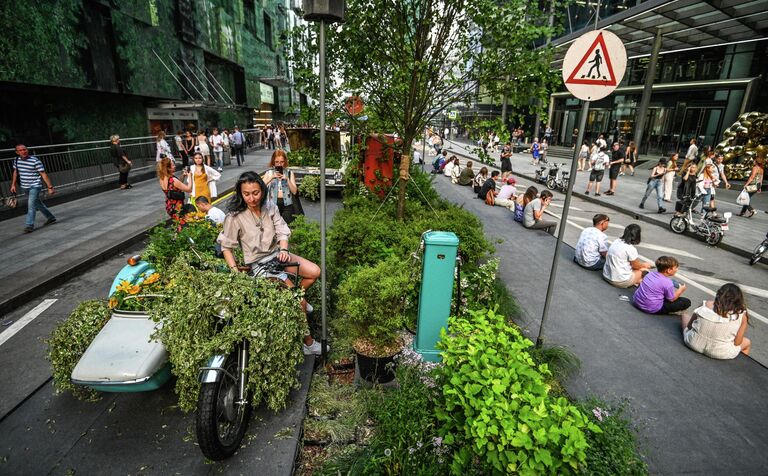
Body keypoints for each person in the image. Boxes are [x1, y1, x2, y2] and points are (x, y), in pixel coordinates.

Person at [217, 172, 323, 355]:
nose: (252, 198)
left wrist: (283, 249)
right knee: (298, 302)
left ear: (263, 190)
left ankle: (297, 300)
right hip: (259, 265)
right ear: (240, 193)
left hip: (277, 255)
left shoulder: (270, 206)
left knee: (314, 271)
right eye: (247, 193)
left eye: (256, 192)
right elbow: (226, 247)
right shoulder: (234, 217)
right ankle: (309, 344)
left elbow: (282, 230)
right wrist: (234, 271)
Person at [682, 283, 751, 359]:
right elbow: (737, 342)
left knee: (685, 316)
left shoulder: (705, 304)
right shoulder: (741, 315)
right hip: (721, 353)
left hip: (693, 343)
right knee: (747, 342)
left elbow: (689, 326)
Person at [10, 144, 57, 233]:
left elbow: (43, 174)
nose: (23, 151)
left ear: (27, 150)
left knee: (31, 205)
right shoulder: (16, 160)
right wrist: (13, 185)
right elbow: (15, 172)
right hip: (24, 186)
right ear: (17, 152)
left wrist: (50, 187)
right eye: (21, 150)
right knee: (38, 203)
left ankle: (29, 225)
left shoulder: (35, 160)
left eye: (25, 149)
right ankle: (51, 218)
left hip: (35, 186)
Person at [602, 224, 652, 288]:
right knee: (645, 271)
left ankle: (637, 281)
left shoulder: (616, 241)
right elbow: (636, 266)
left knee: (636, 272)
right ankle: (640, 286)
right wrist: (645, 265)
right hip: (619, 281)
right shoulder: (630, 249)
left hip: (606, 275)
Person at [262, 149, 300, 225]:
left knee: (287, 227)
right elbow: (259, 187)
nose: (279, 164)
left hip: (287, 204)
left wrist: (287, 179)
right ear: (273, 161)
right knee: (273, 227)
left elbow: (294, 191)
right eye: (277, 162)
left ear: (285, 161)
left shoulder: (289, 173)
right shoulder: (269, 173)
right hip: (273, 204)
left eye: (282, 162)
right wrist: (271, 177)